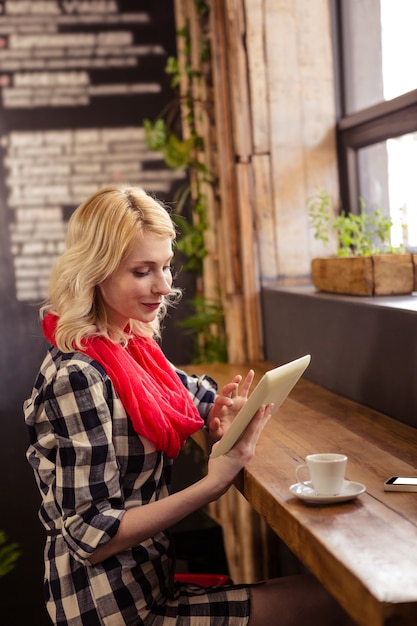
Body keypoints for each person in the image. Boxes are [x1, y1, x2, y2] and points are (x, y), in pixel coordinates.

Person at [24, 184, 354, 626]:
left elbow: (194, 395)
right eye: (143, 271)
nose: (163, 286)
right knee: (336, 602)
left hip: (147, 583)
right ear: (94, 272)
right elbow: (91, 536)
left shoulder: (128, 344)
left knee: (330, 598)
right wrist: (211, 486)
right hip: (110, 609)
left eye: (165, 267)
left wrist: (225, 411)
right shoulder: (79, 376)